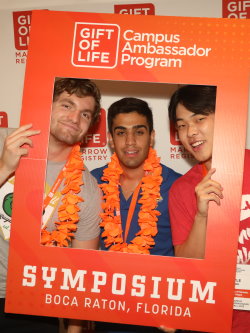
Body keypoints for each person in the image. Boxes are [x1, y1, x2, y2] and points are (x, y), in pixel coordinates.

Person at [0, 78, 102, 333]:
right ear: (48, 106)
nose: (74, 118)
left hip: (32, 307)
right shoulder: (5, 141)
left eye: (85, 114)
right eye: (67, 105)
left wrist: (73, 331)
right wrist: (5, 168)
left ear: (89, 127)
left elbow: (81, 274)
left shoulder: (87, 190)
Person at [91, 97, 181, 332]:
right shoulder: (91, 182)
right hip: (106, 314)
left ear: (151, 136)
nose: (130, 142)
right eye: (121, 133)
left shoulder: (178, 186)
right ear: (110, 139)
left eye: (139, 132)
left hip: (161, 317)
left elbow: (193, 258)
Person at [168, 84, 250, 332]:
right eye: (181, 125)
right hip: (218, 322)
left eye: (199, 119)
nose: (191, 132)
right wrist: (202, 216)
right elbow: (187, 266)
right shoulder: (181, 189)